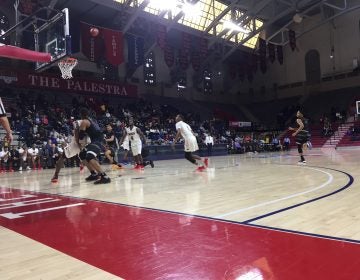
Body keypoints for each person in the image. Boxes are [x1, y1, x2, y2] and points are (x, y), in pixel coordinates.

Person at [51, 119, 97, 183]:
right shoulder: (92, 122)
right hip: (87, 142)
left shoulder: (78, 122)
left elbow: (76, 134)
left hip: (77, 143)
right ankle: (94, 173)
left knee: (63, 156)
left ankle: (55, 176)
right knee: (84, 157)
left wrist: (79, 145)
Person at [79, 108, 111, 184]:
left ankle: (104, 177)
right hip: (98, 140)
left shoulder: (84, 121)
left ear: (81, 115)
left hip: (98, 141)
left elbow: (81, 136)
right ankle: (94, 174)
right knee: (82, 154)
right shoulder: (92, 120)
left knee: (89, 156)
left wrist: (77, 130)